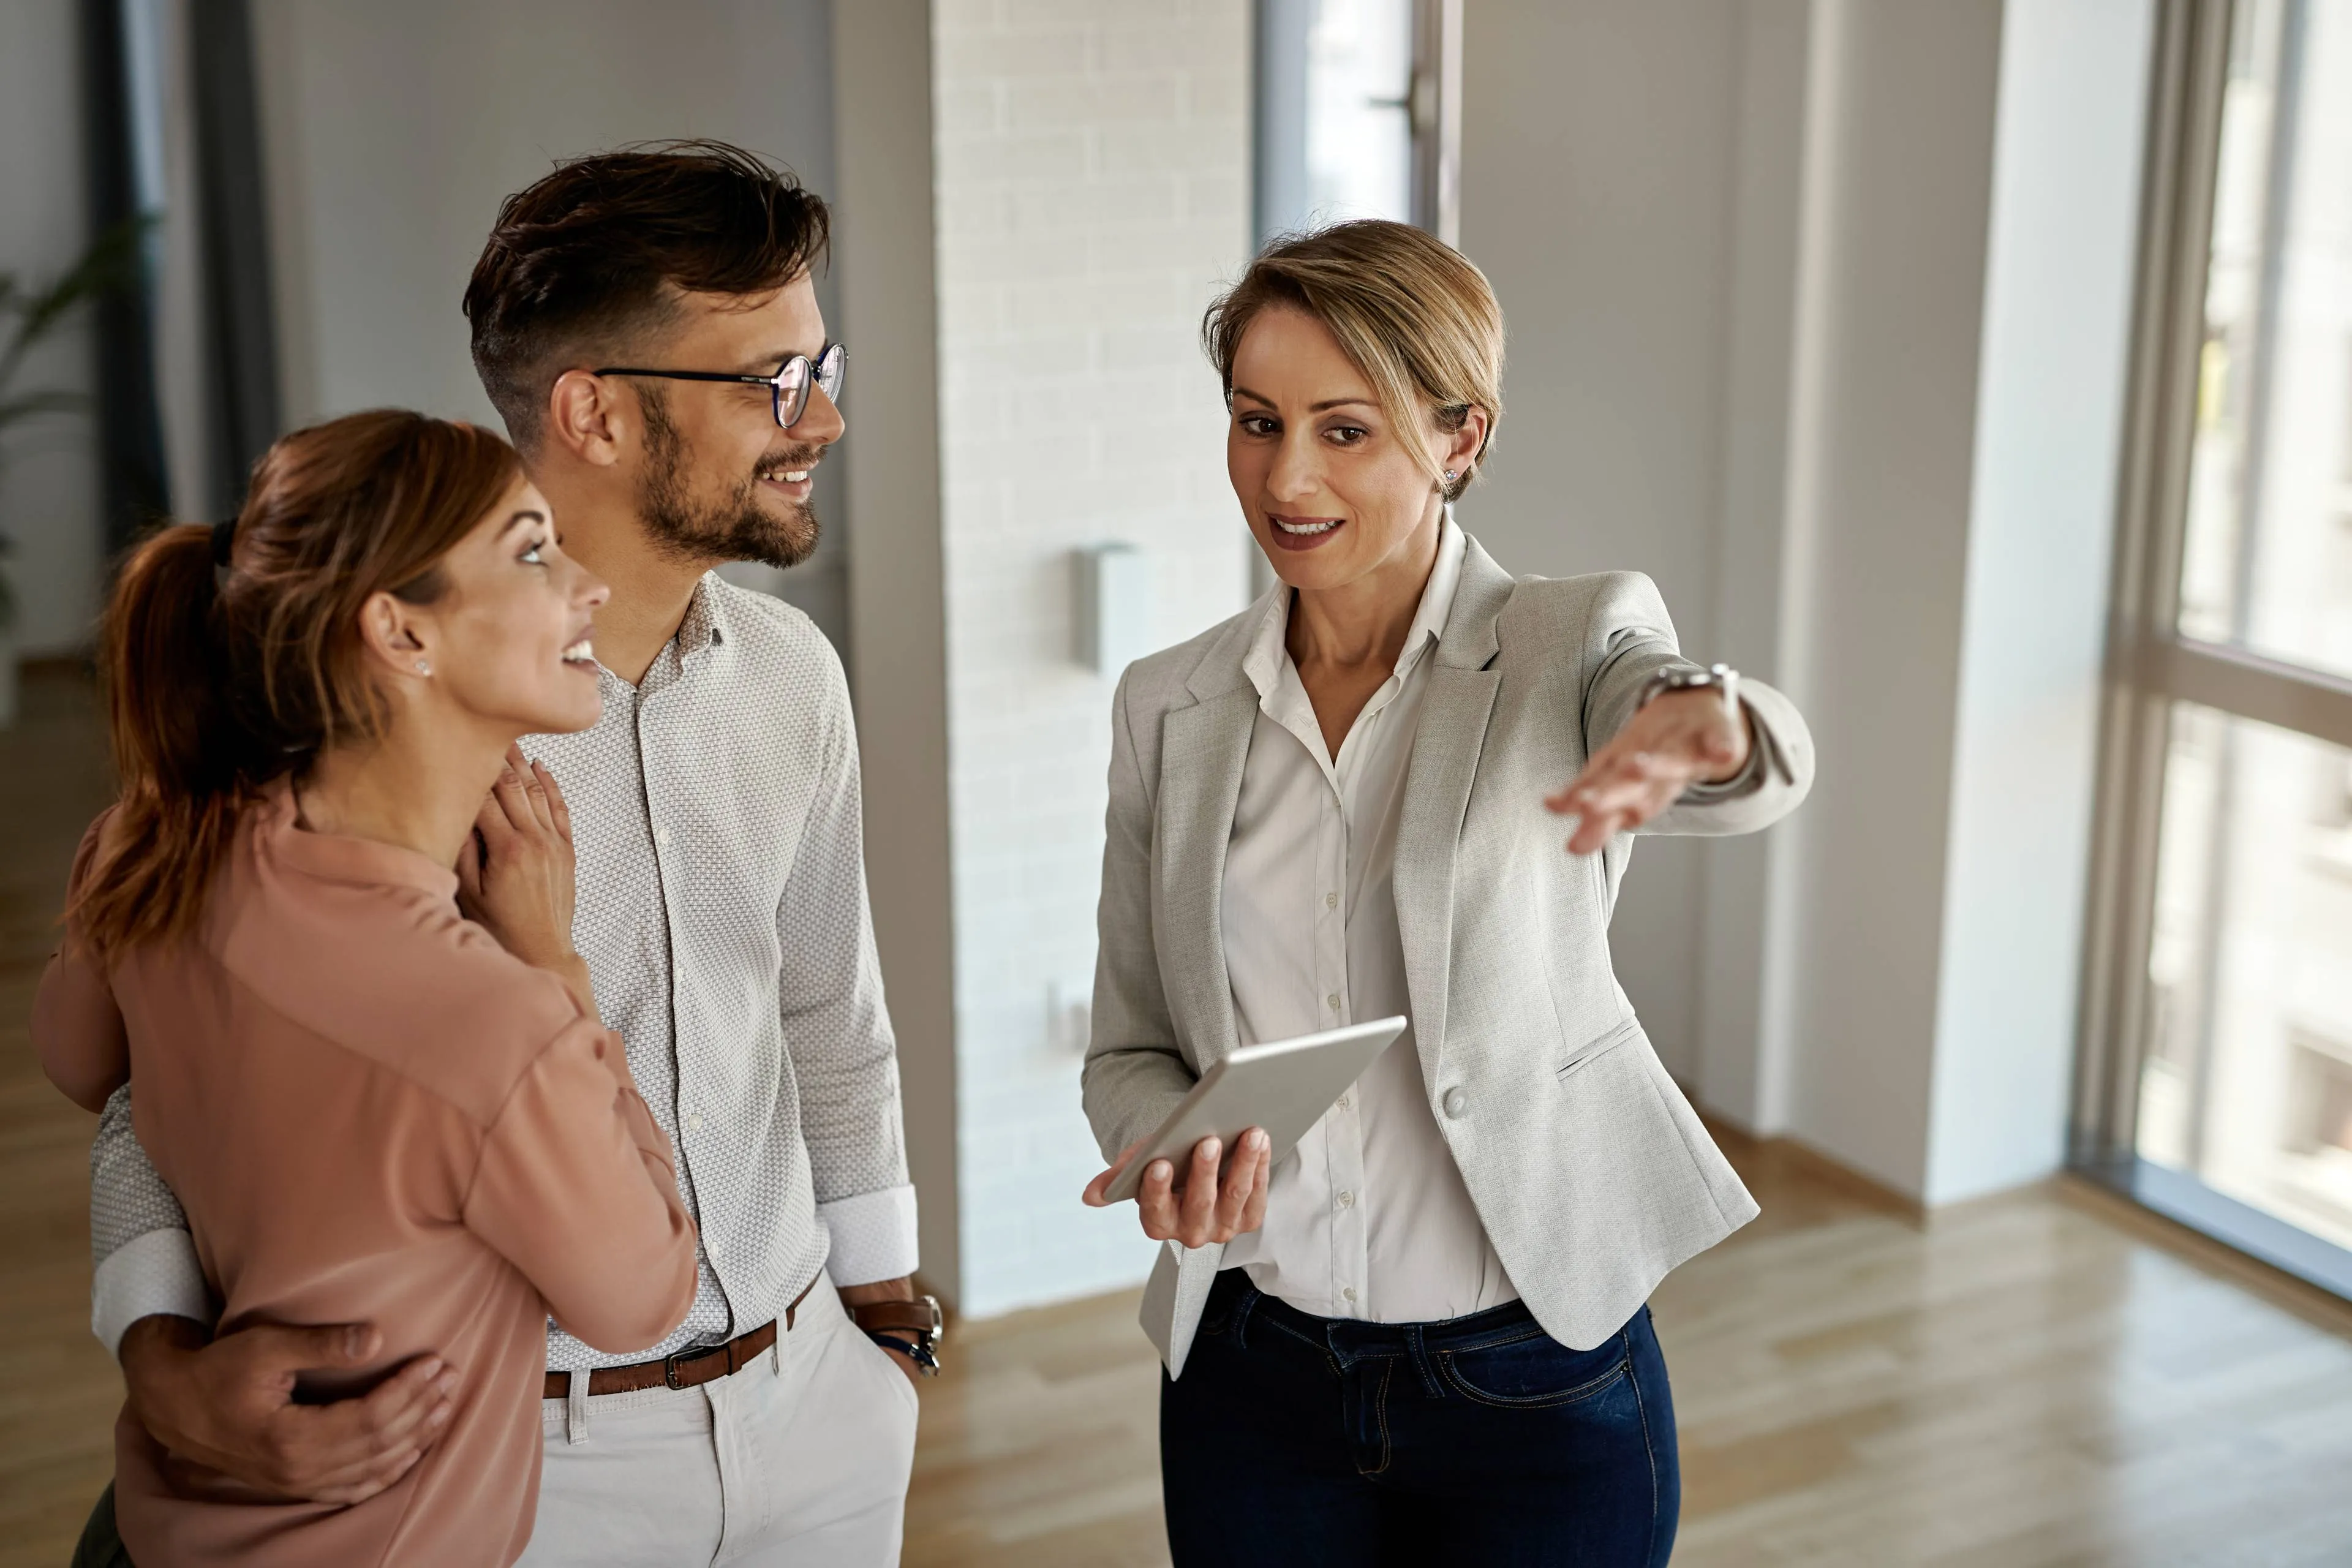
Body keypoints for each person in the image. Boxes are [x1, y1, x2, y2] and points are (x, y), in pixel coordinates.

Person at [81, 143, 932, 1567]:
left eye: (821, 363)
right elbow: (157, 1080)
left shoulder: (795, 675)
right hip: (515, 1458)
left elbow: (829, 1017)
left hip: (817, 1411)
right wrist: (159, 1348)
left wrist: (887, 1319)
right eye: (774, 379)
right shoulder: (366, 725)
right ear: (593, 411)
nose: (826, 416)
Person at [1078, 220, 1817, 1566]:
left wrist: (1708, 724)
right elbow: (1130, 1045)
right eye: (1256, 420)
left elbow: (1711, 729)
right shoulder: (1168, 706)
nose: (1285, 476)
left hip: (1536, 1380)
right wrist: (1166, 1150)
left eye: (1344, 429)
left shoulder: (1566, 643)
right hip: (1255, 1379)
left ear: (1459, 438)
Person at [34, 410, 702, 1566]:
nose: (585, 585)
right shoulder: (497, 1024)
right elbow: (644, 1297)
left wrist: (155, 1351)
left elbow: (85, 1064)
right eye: (533, 549)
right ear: (400, 632)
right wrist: (555, 967)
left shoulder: (153, 848)